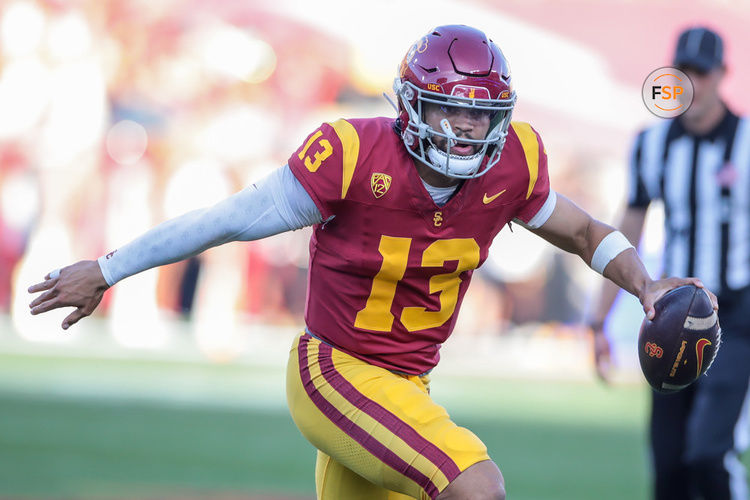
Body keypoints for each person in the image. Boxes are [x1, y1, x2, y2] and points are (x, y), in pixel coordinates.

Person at [28, 25, 714, 500]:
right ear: (414, 106)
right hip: (335, 370)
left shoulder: (512, 163)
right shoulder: (352, 155)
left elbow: (589, 232)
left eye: (483, 116)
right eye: (454, 112)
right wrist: (108, 269)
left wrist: (646, 284)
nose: (471, 130)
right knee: (477, 484)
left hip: (406, 386)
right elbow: (226, 220)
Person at [590, 26, 750, 500]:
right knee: (669, 469)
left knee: (708, 453)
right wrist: (598, 319)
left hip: (736, 317)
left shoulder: (746, 143)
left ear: (723, 75)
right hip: (674, 314)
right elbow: (625, 231)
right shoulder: (652, 144)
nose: (692, 83)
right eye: (684, 72)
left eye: (702, 72)